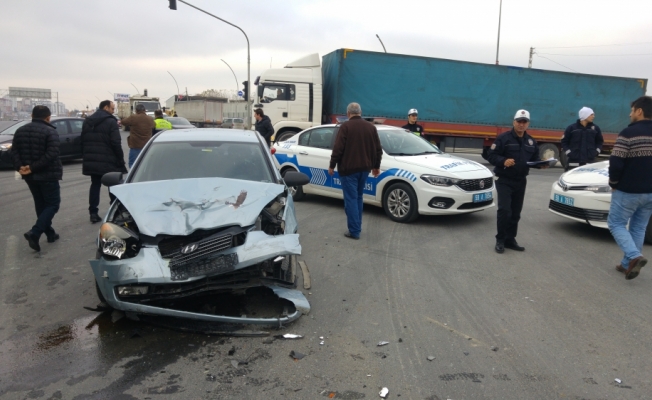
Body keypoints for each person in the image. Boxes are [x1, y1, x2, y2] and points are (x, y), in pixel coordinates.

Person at [487, 109, 549, 253]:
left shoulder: (531, 142)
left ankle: (510, 240)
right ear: (514, 122)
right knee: (504, 210)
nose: (521, 125)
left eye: (524, 122)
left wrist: (542, 164)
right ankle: (500, 240)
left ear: (528, 124)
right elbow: (491, 155)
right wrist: (503, 161)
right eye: (519, 122)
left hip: (520, 181)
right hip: (504, 179)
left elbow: (533, 161)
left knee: (515, 213)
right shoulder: (503, 139)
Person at [607, 96, 652, 280]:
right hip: (650, 193)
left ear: (639, 111)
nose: (630, 114)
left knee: (615, 223)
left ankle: (634, 256)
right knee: (639, 228)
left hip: (628, 190)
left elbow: (616, 162)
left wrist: (614, 183)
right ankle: (627, 264)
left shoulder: (628, 133)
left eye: (632, 110)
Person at [328, 102, 383, 239]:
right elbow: (378, 150)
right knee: (358, 197)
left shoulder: (345, 126)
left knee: (351, 199)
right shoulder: (371, 127)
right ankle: (357, 226)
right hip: (365, 169)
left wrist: (332, 164)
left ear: (348, 114)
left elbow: (338, 148)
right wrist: (376, 166)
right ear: (360, 112)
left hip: (349, 170)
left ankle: (354, 231)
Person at [11, 105, 62, 252]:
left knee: (40, 204)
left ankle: (50, 233)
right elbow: (51, 154)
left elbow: (14, 152)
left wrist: (21, 167)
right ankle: (35, 232)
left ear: (32, 115)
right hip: (47, 174)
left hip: (30, 176)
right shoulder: (50, 131)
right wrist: (33, 167)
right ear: (48, 117)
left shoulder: (20, 130)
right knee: (53, 204)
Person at [81, 100, 127, 223]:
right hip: (109, 159)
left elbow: (83, 140)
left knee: (95, 185)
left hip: (92, 159)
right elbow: (116, 143)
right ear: (106, 107)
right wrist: (120, 159)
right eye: (112, 108)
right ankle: (116, 211)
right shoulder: (111, 122)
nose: (113, 111)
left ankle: (93, 213)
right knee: (112, 185)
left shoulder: (88, 121)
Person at [561, 107, 604, 171]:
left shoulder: (595, 129)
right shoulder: (571, 128)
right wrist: (569, 152)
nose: (593, 116)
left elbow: (599, 142)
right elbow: (564, 142)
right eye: (591, 115)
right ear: (585, 115)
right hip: (574, 162)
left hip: (590, 162)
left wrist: (596, 152)